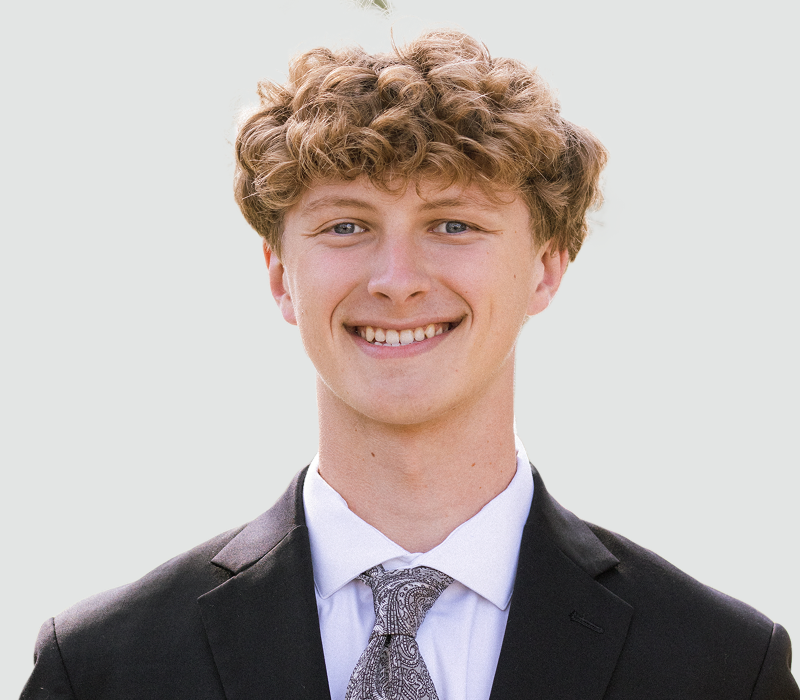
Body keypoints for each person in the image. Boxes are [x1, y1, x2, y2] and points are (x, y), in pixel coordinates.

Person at [20, 29, 799, 700]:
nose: (397, 280)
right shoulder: (101, 668)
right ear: (279, 276)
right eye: (346, 226)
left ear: (547, 267)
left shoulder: (723, 668)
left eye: (453, 224)